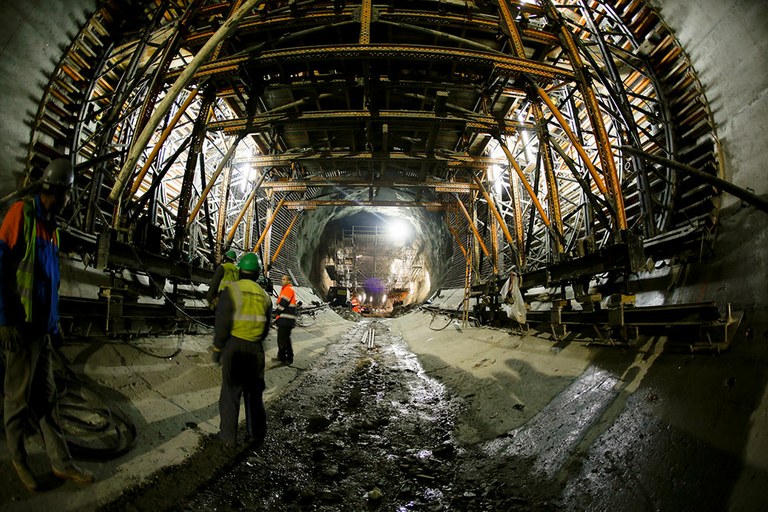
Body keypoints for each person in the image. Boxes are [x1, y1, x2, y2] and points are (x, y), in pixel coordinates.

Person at [0, 159, 94, 491]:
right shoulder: (22, 215)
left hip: (42, 331)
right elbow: (2, 270)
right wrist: (5, 320)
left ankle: (61, 464)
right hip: (21, 329)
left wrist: (55, 326)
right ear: (57, 192)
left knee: (47, 401)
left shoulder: (51, 229)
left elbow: (48, 284)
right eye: (69, 193)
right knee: (17, 400)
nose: (71, 199)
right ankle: (18, 458)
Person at [211, 252, 272, 446]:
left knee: (230, 394)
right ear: (257, 275)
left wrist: (218, 348)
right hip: (255, 350)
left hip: (235, 348)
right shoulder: (265, 296)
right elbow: (266, 328)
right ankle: (256, 434)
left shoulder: (232, 291)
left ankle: (228, 437)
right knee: (254, 395)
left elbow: (222, 323)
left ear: (240, 272)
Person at [274, 274, 297, 365]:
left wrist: (276, 312)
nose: (282, 281)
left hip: (286, 319)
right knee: (285, 339)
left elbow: (283, 303)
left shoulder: (288, 289)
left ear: (289, 281)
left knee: (282, 339)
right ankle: (286, 357)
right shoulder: (286, 289)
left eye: (284, 279)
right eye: (282, 279)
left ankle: (283, 358)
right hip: (286, 319)